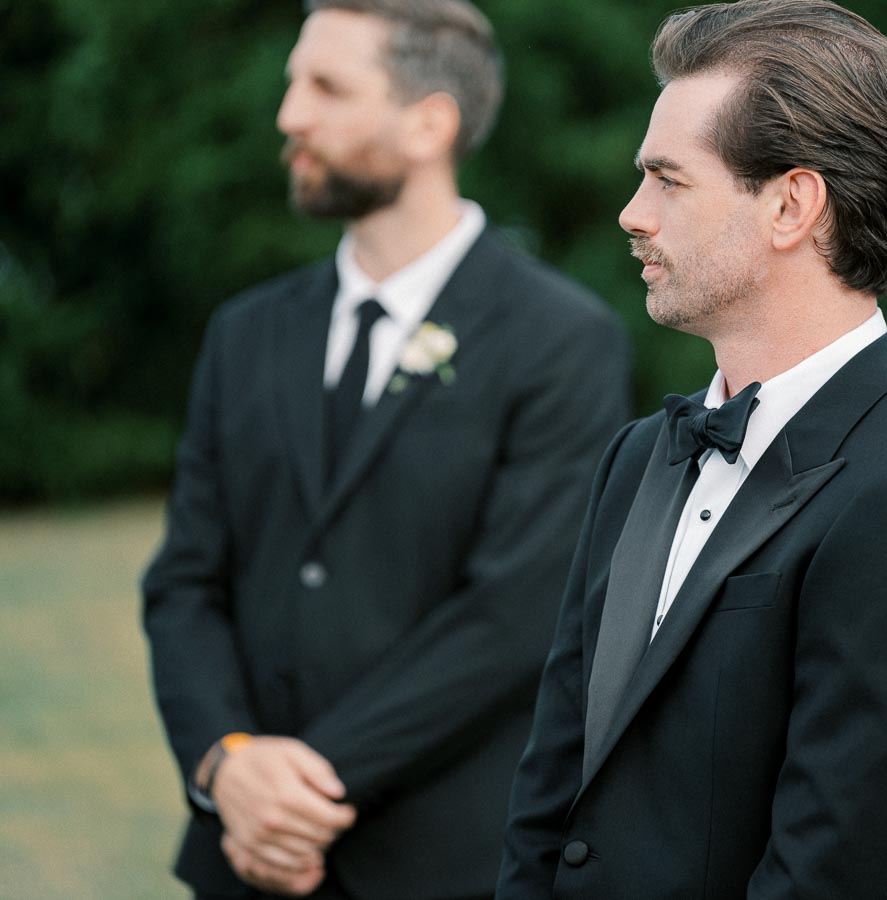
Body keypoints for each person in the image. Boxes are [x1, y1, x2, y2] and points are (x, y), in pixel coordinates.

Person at [496, 1, 887, 897]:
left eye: (669, 180)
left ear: (791, 204)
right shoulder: (637, 460)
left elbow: (842, 875)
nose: (633, 214)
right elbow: (549, 801)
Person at [141, 1, 630, 897]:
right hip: (239, 864)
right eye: (294, 82)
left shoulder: (560, 340)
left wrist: (293, 791)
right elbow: (183, 583)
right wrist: (225, 764)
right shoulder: (245, 334)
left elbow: (514, 615)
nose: (289, 114)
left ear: (428, 123)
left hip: (441, 861)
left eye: (325, 86)